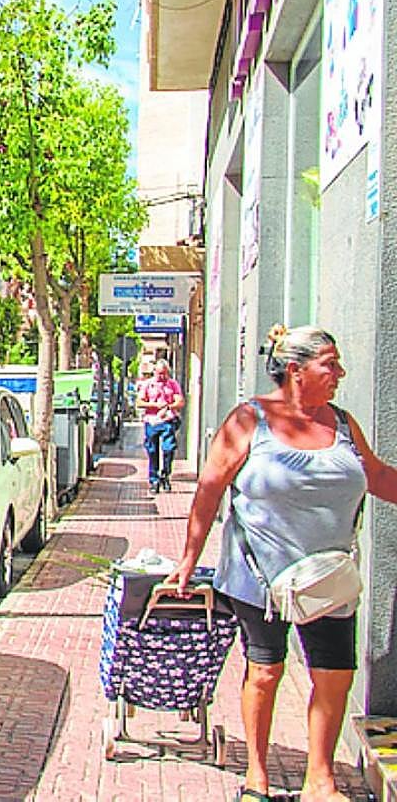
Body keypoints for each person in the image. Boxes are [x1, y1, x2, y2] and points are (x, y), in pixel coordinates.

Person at [169, 325, 397, 802]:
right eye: (329, 364)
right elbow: (209, 491)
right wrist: (188, 561)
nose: (339, 373)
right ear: (296, 370)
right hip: (260, 578)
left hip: (327, 580)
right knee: (266, 671)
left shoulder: (343, 423)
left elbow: (375, 476)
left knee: (334, 674)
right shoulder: (248, 421)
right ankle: (257, 776)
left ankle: (321, 780)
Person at [137, 358, 185, 492]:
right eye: (159, 373)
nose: (162, 376)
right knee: (152, 451)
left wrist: (168, 406)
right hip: (152, 421)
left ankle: (165, 474)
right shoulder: (147, 385)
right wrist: (154, 405)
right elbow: (139, 402)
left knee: (168, 449)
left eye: (164, 373)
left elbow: (180, 401)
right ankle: (154, 480)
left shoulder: (172, 384)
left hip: (168, 420)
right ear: (154, 372)